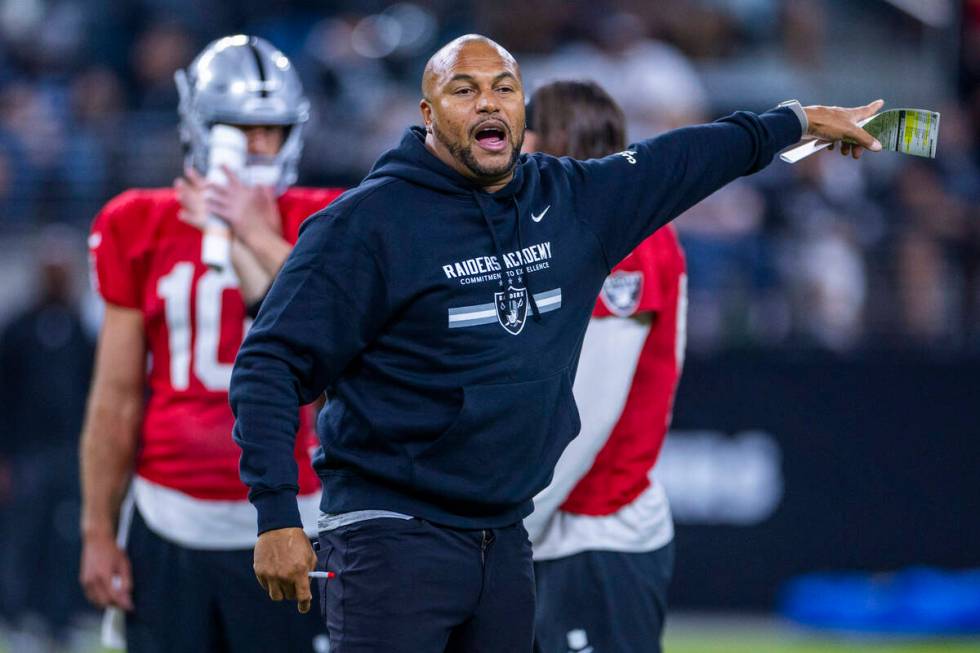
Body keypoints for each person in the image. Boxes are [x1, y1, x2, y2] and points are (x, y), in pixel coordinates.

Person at [230, 33, 883, 653]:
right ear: (427, 113)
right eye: (464, 90)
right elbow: (269, 363)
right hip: (391, 533)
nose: (488, 101)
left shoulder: (571, 201)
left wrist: (797, 121)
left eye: (505, 87)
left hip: (507, 538)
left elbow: (689, 156)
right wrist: (276, 512)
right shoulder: (365, 224)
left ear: (522, 106)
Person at [78, 35, 344, 652]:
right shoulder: (135, 221)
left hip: (297, 514)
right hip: (170, 517)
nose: (258, 146)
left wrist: (253, 232)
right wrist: (96, 529)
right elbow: (115, 397)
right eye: (238, 128)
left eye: (272, 129)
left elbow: (340, 330)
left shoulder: (327, 217)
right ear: (200, 128)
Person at [520, 80, 684, 653]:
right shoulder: (567, 229)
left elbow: (587, 416)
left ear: (547, 139)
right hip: (560, 529)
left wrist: (511, 528)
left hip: (591, 530)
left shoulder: (626, 238)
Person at [0, 226, 94, 650]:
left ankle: (62, 618)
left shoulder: (80, 331)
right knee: (23, 535)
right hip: (26, 456)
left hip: (70, 454)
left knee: (67, 537)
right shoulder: (18, 331)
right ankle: (17, 615)